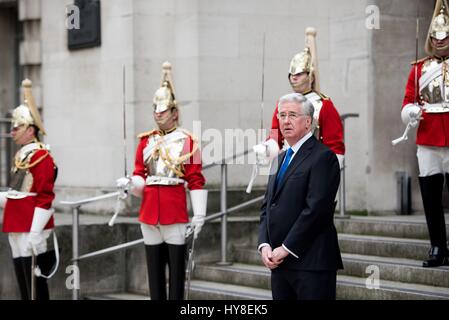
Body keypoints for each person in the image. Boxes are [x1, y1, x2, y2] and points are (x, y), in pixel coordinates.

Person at [116, 62, 207, 300]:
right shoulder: (146, 142)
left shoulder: (189, 141)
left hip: (174, 211)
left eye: (163, 110)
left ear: (175, 112)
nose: (158, 114)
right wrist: (130, 183)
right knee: (154, 276)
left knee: (177, 277)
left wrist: (199, 214)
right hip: (149, 213)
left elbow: (196, 179)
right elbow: (141, 176)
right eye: (155, 110)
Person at [258, 92, 343, 300]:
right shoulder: (279, 158)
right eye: (282, 115)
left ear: (308, 122)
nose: (285, 121)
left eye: (292, 115)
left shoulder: (323, 157)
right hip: (278, 263)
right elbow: (267, 206)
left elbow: (316, 211)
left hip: (311, 263)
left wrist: (286, 248)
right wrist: (265, 245)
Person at [400, 0, 449, 267]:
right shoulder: (418, 68)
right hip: (428, 140)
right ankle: (437, 247)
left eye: (445, 36)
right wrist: (411, 113)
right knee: (430, 199)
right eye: (436, 36)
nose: (440, 41)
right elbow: (407, 101)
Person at [254, 27, 345, 169]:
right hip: (287, 164)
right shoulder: (283, 103)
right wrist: (266, 149)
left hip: (315, 166)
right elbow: (276, 137)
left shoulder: (324, 106)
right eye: (291, 74)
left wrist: (327, 173)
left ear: (310, 75)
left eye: (299, 73)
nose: (294, 77)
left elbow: (335, 146)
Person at [0, 79, 57, 300]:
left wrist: (35, 231)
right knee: (23, 283)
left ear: (30, 129)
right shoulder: (23, 154)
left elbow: (45, 196)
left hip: (31, 225)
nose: (13, 131)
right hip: (16, 223)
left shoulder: (41, 156)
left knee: (35, 286)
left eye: (18, 127)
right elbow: (18, 193)